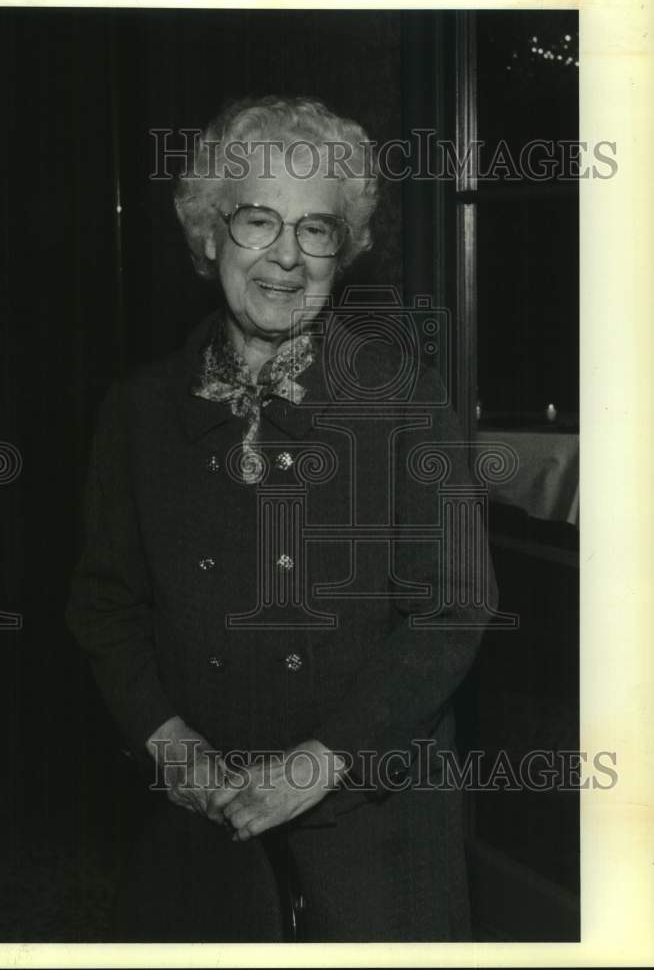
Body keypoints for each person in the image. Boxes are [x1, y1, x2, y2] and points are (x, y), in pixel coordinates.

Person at [66, 95, 498, 942]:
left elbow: (454, 607)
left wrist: (323, 759)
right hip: (203, 813)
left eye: (317, 230)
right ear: (209, 234)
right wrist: (168, 739)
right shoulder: (140, 411)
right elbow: (104, 605)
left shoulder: (403, 397)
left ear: (346, 249)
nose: (287, 258)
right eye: (260, 221)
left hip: (375, 815)